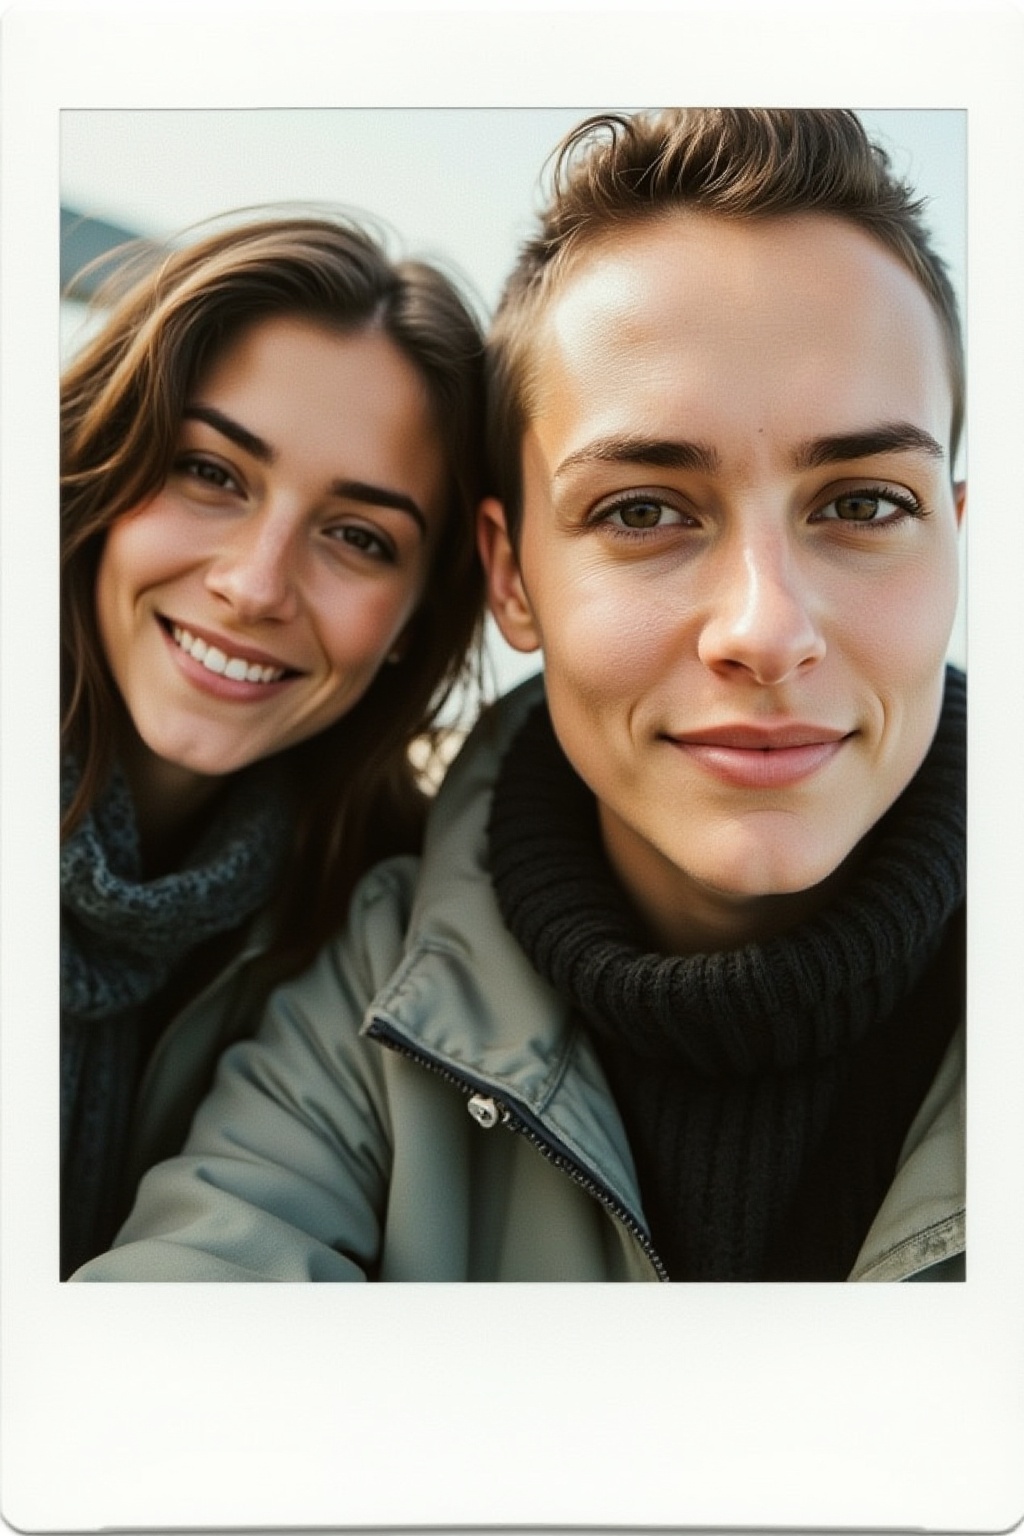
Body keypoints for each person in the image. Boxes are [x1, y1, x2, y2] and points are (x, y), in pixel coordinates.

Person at [73, 108, 966, 1283]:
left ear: (959, 533)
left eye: (862, 504)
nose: (764, 629)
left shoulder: (323, 885)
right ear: (509, 578)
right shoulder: (368, 979)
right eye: (642, 510)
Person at [59, 214, 486, 1276]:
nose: (254, 585)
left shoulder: (382, 933)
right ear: (101, 469)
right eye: (211, 472)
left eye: (357, 537)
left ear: (415, 622)